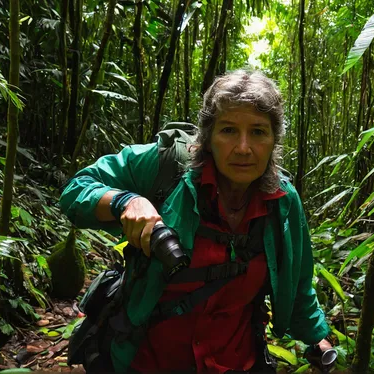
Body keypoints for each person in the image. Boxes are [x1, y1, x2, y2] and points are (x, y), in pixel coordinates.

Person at [60, 70, 333, 373]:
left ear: (273, 140)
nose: (243, 148)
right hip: (146, 361)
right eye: (228, 130)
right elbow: (76, 190)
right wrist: (127, 201)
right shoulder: (166, 168)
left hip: (238, 362)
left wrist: (317, 338)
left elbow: (296, 285)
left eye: (258, 132)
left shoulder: (283, 203)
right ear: (207, 137)